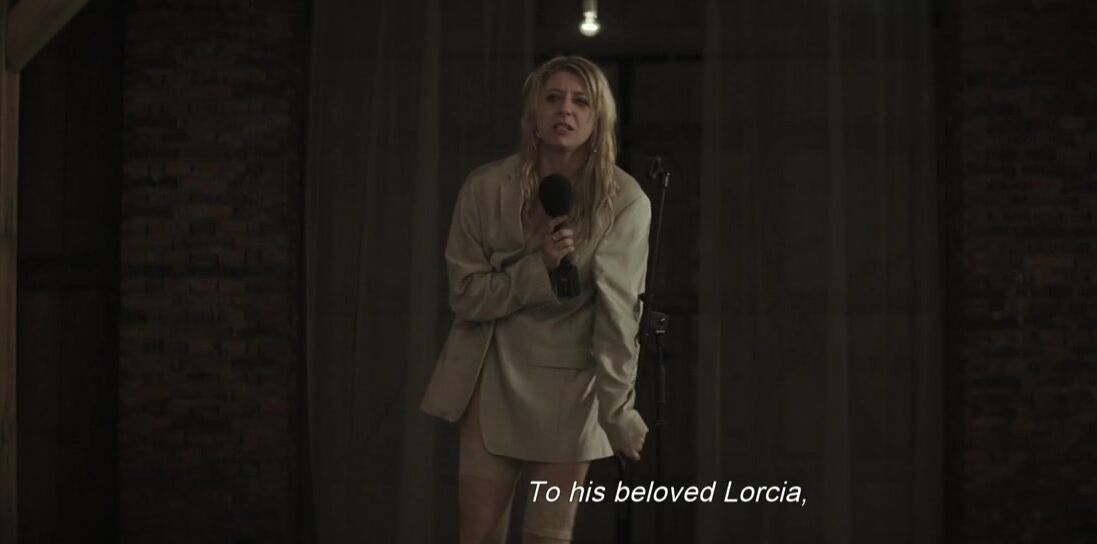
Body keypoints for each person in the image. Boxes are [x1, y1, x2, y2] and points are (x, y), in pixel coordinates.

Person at [420, 55, 650, 544]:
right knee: (478, 537)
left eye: (581, 101)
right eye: (553, 98)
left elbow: (618, 316)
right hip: (492, 380)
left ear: (598, 118)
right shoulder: (485, 188)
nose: (565, 109)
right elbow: (465, 296)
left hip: (570, 390)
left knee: (549, 537)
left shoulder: (624, 201)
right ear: (533, 112)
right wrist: (536, 269)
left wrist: (618, 411)